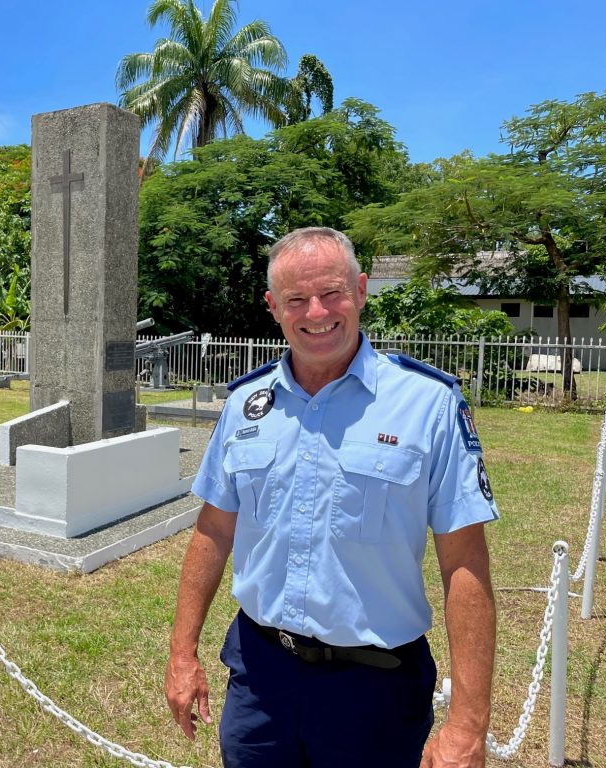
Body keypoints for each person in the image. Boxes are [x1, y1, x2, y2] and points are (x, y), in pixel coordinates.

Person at [165, 227, 498, 768]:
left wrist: (467, 724)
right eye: (296, 299)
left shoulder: (427, 405)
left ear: (362, 290)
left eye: (332, 293)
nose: (316, 312)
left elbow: (464, 563)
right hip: (260, 677)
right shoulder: (248, 405)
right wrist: (182, 654)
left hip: (376, 689)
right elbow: (214, 529)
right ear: (274, 307)